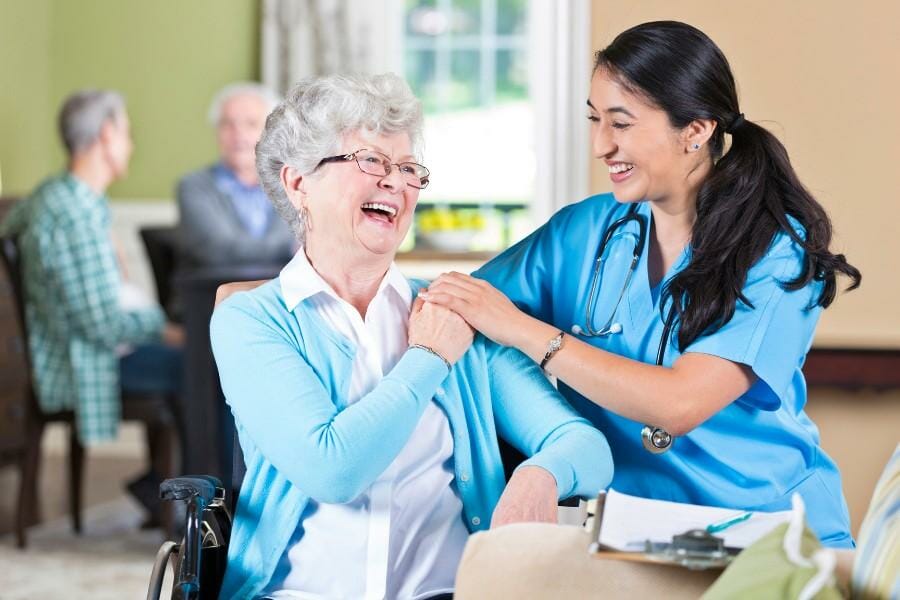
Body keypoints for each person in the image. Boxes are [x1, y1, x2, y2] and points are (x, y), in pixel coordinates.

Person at [422, 21, 861, 548]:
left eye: (621, 123)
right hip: (629, 539)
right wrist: (547, 451)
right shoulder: (581, 233)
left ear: (696, 130)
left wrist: (523, 331)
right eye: (594, 120)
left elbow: (679, 404)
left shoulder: (775, 252)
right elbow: (458, 312)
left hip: (765, 537)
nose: (601, 145)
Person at [209, 73, 612, 600]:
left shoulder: (457, 311)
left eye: (407, 168)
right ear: (298, 183)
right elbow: (332, 470)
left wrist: (542, 475)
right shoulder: (253, 320)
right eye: (371, 162)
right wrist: (428, 357)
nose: (395, 183)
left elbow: (588, 448)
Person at [0, 89, 184, 520]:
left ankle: (162, 486)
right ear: (106, 135)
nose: (132, 145)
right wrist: (163, 328)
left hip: (88, 347)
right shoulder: (73, 213)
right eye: (127, 134)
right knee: (199, 364)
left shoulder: (62, 198)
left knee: (193, 356)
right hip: (82, 361)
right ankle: (184, 494)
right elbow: (101, 323)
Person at [176, 83, 295, 269]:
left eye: (251, 124)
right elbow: (220, 249)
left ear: (272, 133)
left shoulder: (291, 184)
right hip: (216, 294)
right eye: (227, 124)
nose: (238, 134)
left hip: (283, 293)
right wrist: (289, 248)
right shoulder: (194, 186)